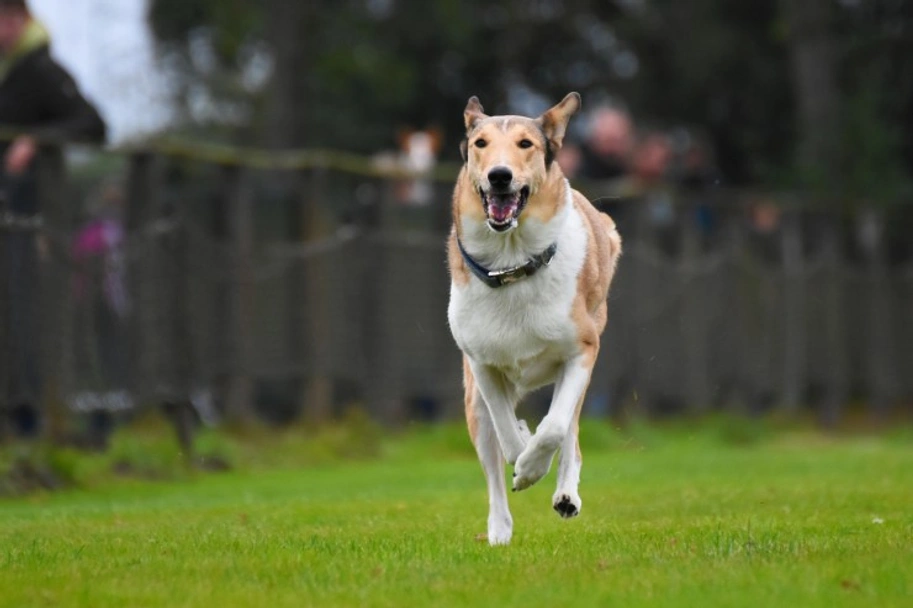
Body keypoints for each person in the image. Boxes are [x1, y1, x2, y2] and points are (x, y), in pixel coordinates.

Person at [0, 0, 106, 437]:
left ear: (17, 19)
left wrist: (36, 141)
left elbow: (93, 124)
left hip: (34, 222)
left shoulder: (40, 70)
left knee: (34, 322)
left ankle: (49, 423)